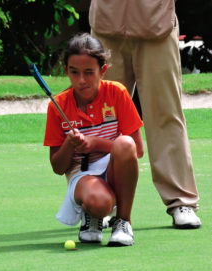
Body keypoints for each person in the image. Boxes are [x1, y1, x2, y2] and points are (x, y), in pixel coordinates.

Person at [89, 0, 201, 229]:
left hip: (157, 22)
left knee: (166, 113)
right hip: (107, 21)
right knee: (102, 117)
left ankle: (181, 201)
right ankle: (98, 203)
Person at [44, 33, 144, 246]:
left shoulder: (117, 93)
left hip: (114, 167)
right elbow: (58, 167)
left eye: (89, 72)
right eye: (74, 72)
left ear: (103, 70)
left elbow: (138, 150)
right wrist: (69, 145)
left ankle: (123, 222)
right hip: (81, 174)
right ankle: (93, 214)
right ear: (66, 71)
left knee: (125, 143)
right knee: (100, 202)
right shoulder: (57, 106)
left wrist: (96, 143)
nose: (81, 80)